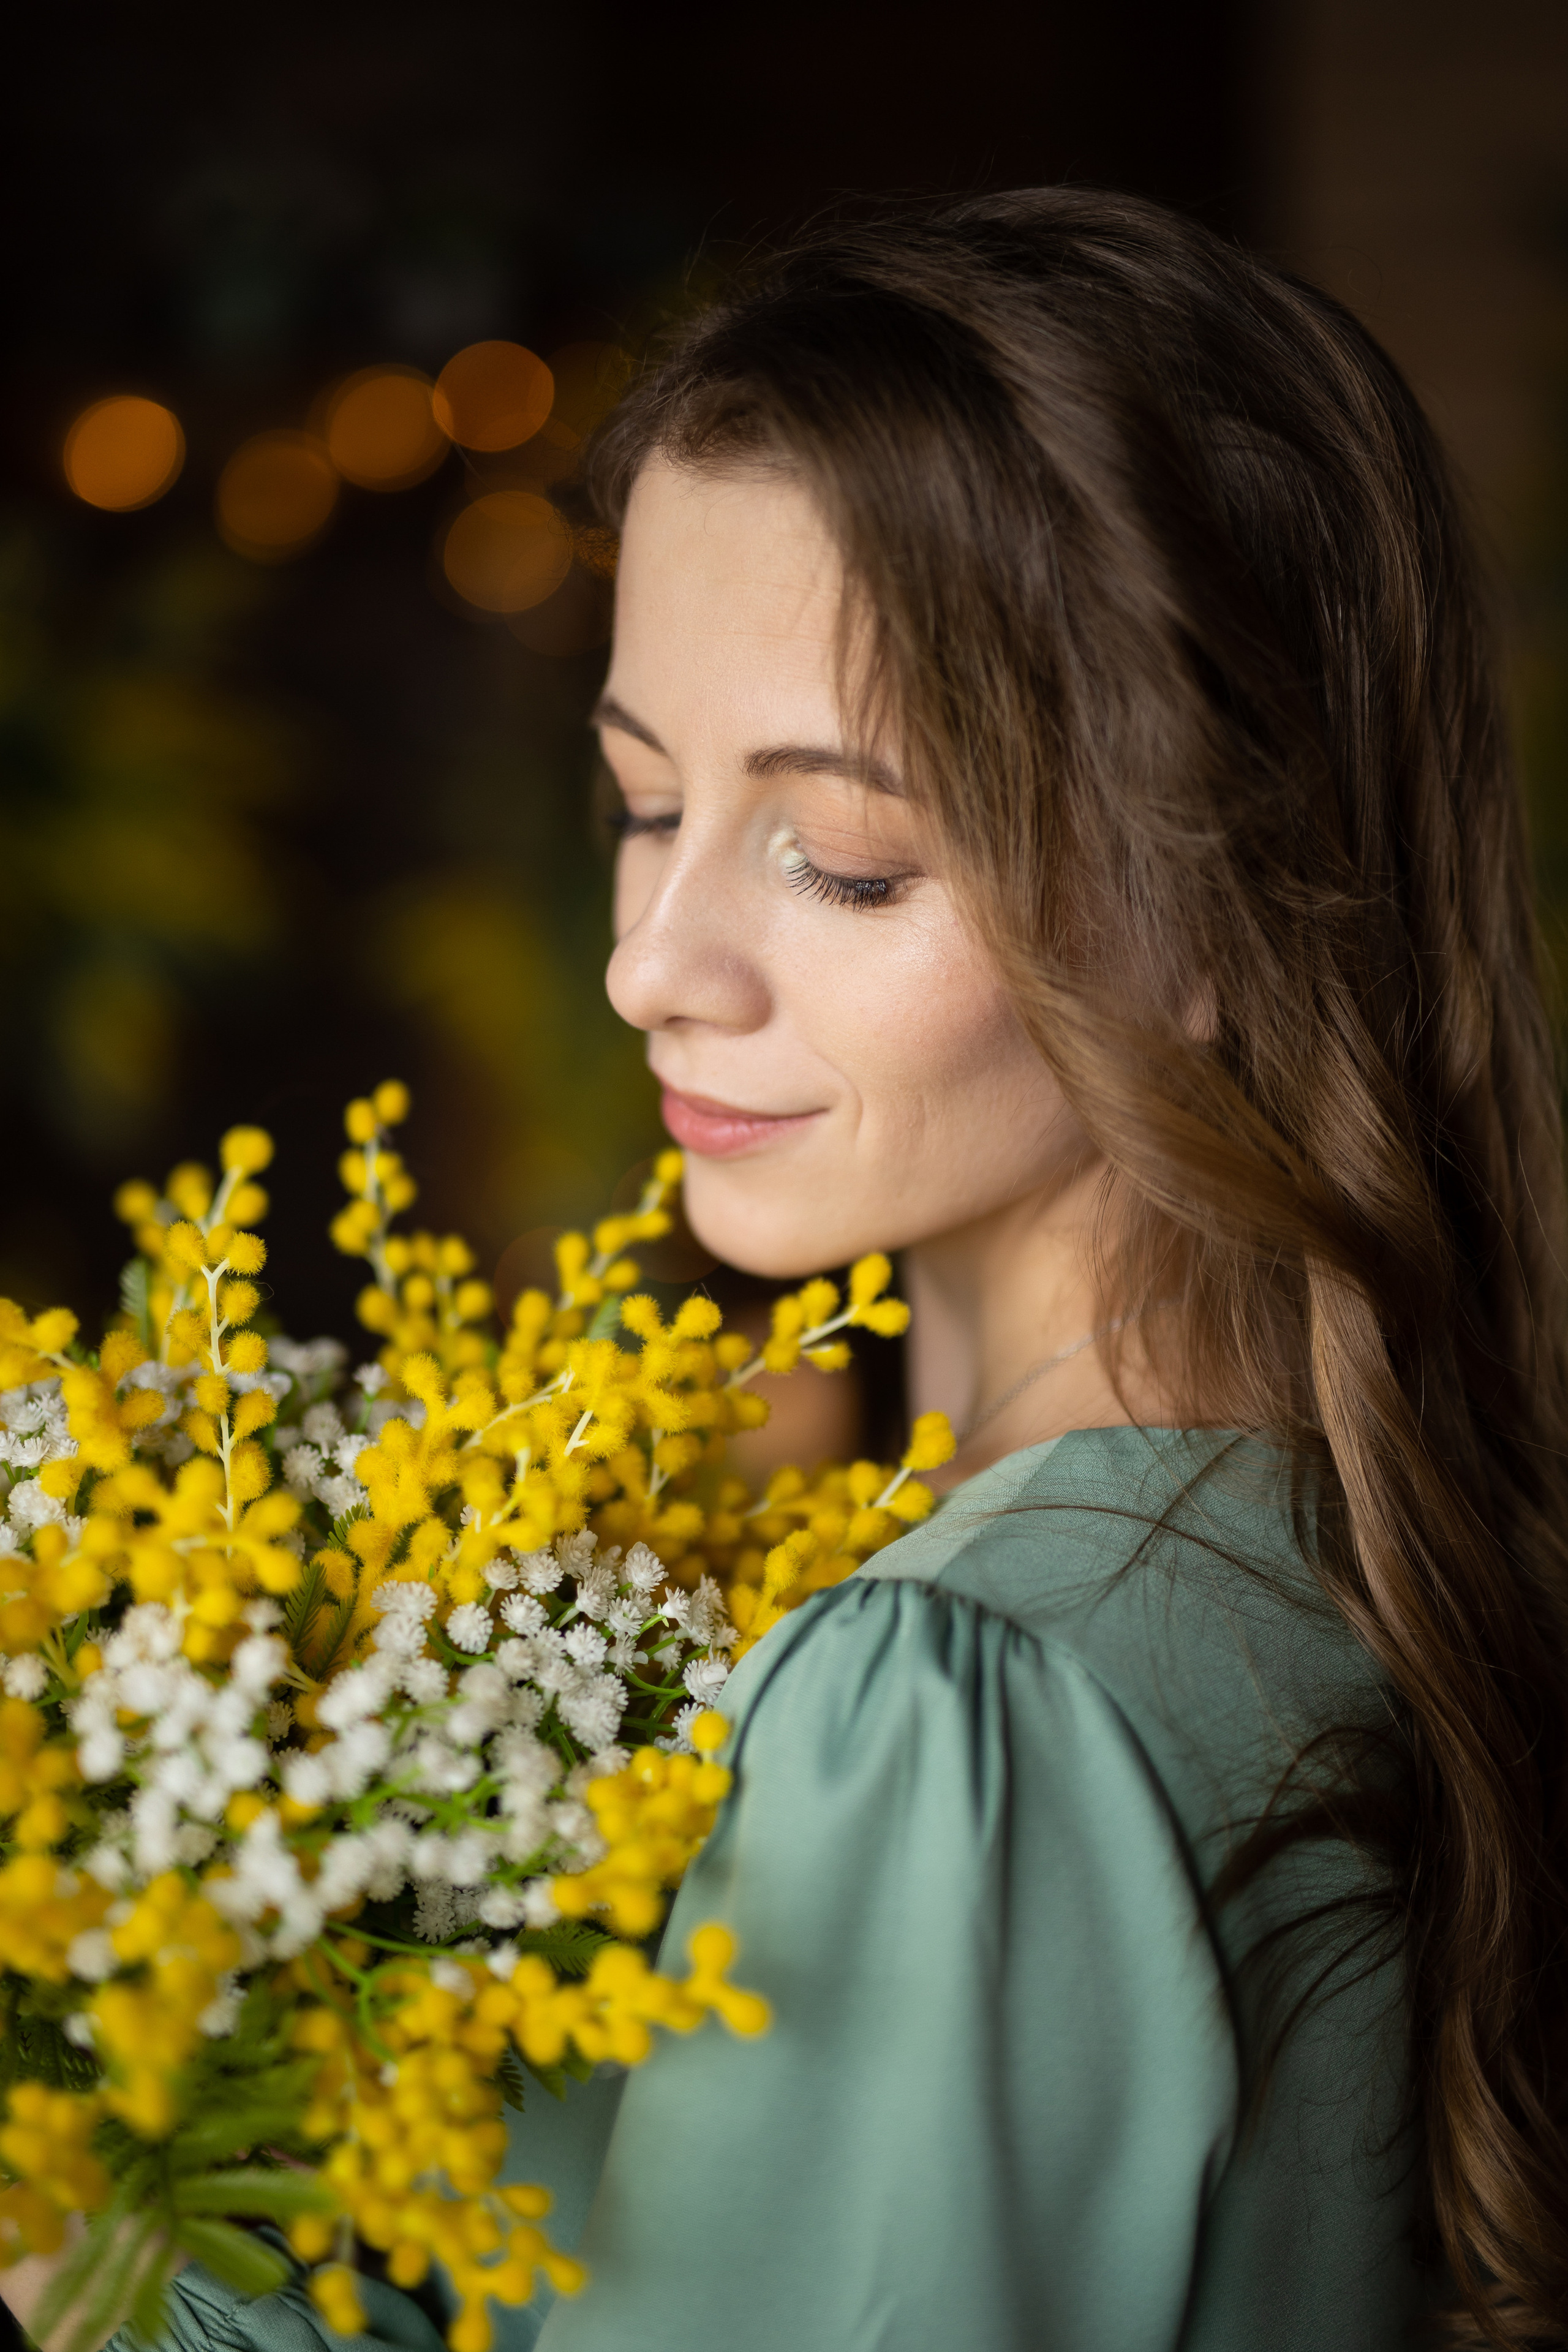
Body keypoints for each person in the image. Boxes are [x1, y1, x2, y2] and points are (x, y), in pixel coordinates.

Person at [55, 187, 1568, 2350]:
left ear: (1235, 902)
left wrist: (106, 2275)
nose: (647, 965)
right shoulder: (1320, 1566)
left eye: (844, 859)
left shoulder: (969, 1708)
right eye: (647, 804)